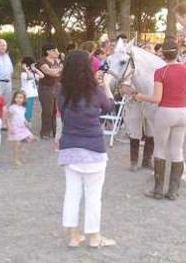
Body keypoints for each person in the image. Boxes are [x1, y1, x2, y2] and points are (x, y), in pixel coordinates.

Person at [58, 50, 116, 248]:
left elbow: (63, 117)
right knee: (93, 196)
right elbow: (109, 107)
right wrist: (106, 85)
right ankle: (94, 237)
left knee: (72, 193)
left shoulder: (63, 92)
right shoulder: (96, 91)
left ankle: (74, 236)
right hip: (94, 149)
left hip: (70, 148)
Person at [125, 38, 186, 200]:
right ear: (177, 53)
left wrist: (140, 96)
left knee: (160, 149)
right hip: (181, 113)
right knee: (177, 151)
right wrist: (179, 102)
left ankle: (158, 190)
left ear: (163, 55)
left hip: (165, 113)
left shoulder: (160, 72)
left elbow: (156, 98)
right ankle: (173, 191)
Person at [37, 43, 62, 139]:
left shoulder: (57, 61)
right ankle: (45, 132)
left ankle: (56, 131)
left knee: (56, 110)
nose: (57, 52)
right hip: (46, 88)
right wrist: (58, 70)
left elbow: (59, 73)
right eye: (54, 50)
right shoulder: (42, 61)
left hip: (57, 87)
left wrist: (57, 71)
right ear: (48, 51)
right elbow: (49, 72)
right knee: (48, 110)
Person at [8, 90, 37, 166]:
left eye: (20, 97)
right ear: (14, 98)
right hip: (16, 128)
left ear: (24, 99)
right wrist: (10, 127)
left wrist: (26, 123)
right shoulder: (12, 108)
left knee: (30, 138)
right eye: (17, 97)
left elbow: (22, 117)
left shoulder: (23, 108)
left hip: (23, 127)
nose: (18, 99)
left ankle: (23, 152)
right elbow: (7, 117)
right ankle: (16, 159)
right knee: (17, 145)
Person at [20, 56, 43, 123]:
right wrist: (25, 68)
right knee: (27, 112)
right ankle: (25, 127)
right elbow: (29, 77)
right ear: (28, 65)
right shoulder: (24, 74)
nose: (34, 66)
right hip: (27, 96)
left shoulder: (32, 73)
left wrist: (35, 69)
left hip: (32, 96)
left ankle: (27, 126)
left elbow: (42, 76)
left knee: (29, 112)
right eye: (33, 65)